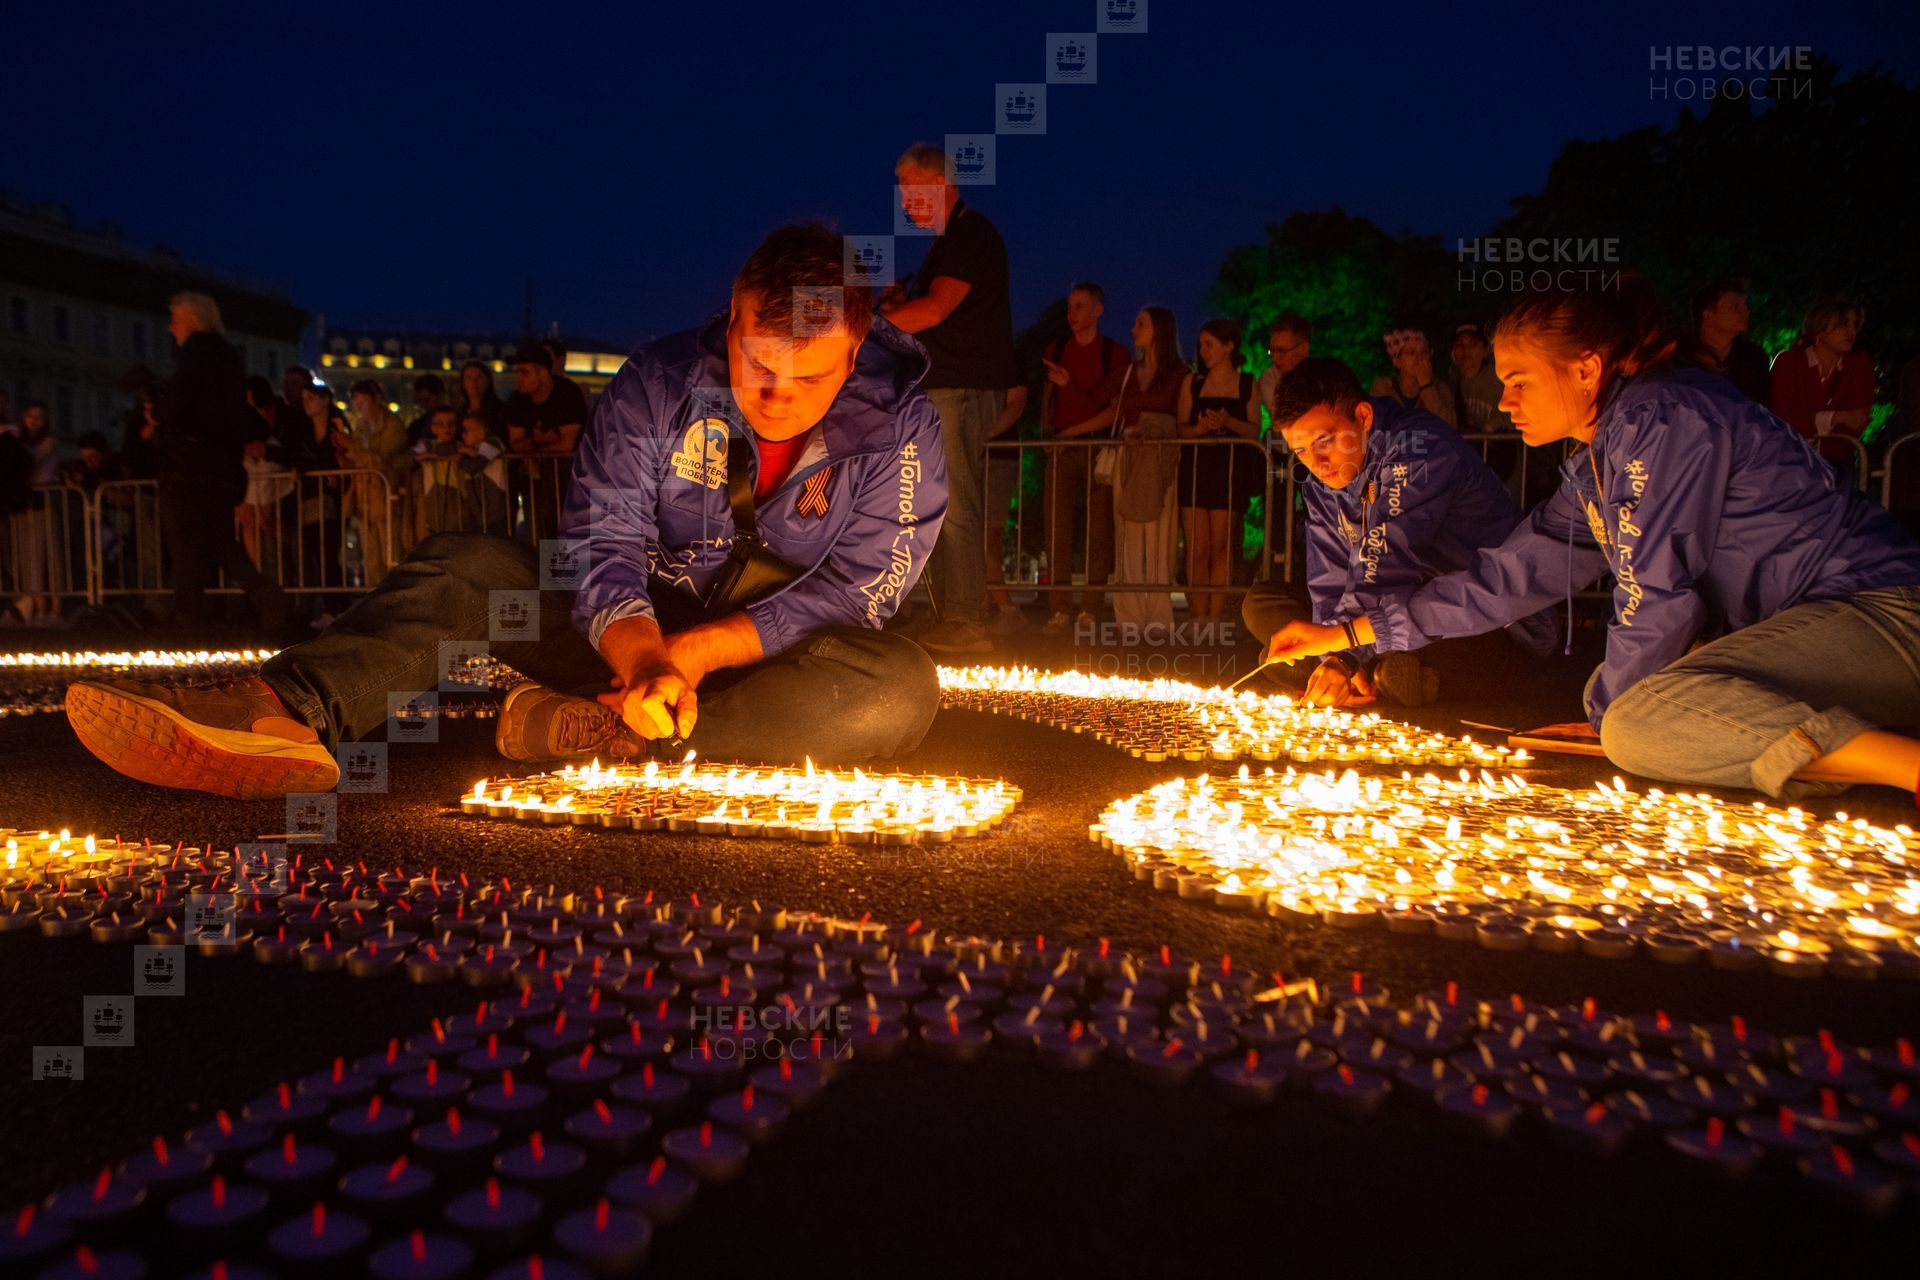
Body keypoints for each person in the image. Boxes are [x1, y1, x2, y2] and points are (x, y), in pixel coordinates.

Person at [66, 223, 949, 799]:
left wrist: (699, 654)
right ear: (730, 321)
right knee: (472, 566)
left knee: (899, 687)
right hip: (624, 641)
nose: (779, 397)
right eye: (760, 363)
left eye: (813, 376)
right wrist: (644, 654)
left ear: (858, 348)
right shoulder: (657, 381)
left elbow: (863, 590)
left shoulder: (903, 420)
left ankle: (605, 733)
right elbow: (602, 542)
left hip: (768, 662)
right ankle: (281, 708)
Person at [1261, 277, 1920, 801]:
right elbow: (1505, 579)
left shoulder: (1662, 421)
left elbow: (1658, 592)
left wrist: (1614, 716)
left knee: (1640, 722)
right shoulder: (1598, 460)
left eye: (1519, 380)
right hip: (1818, 624)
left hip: (1881, 612)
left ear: (1584, 369)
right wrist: (1344, 636)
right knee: (1641, 720)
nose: (1506, 400)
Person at [1243, 357, 1558, 707]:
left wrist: (1343, 655)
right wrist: (1330, 653)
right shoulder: (1321, 485)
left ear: (1363, 417)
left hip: (1480, 622)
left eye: (1325, 442)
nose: (1318, 464)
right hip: (1382, 619)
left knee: (1467, 653)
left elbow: (1385, 563)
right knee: (1260, 604)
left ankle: (1385, 676)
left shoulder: (1419, 448)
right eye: (1301, 452)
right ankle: (1384, 677)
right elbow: (1328, 578)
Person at [881, 143, 1016, 655]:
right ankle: (948, 613)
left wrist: (862, 327)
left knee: (956, 503)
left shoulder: (970, 234)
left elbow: (935, 310)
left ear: (941, 184)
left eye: (913, 191)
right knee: (937, 502)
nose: (907, 203)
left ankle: (964, 617)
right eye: (903, 194)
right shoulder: (951, 240)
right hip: (949, 387)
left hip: (960, 389)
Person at [152, 293, 286, 632]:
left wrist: (161, 409)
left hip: (189, 467)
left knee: (185, 543)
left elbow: (179, 407)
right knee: (220, 542)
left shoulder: (195, 355)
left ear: (192, 321)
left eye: (176, 320)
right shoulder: (228, 356)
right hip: (220, 468)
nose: (171, 328)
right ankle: (264, 593)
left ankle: (189, 616)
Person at [1070, 307, 1185, 636]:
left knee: (1161, 538)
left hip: (1162, 461)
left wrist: (1155, 429)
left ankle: (1159, 617)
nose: (1133, 328)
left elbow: (1182, 416)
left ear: (1159, 330)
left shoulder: (1180, 373)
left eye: (1141, 323)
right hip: (1129, 458)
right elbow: (1103, 406)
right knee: (1128, 538)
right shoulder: (1127, 373)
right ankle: (1129, 617)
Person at [1039, 282, 1130, 632]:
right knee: (1056, 528)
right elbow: (1049, 399)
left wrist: (1069, 401)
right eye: (1070, 307)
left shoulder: (1114, 354)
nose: (1072, 314)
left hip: (1095, 446)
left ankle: (1090, 608)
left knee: (1098, 531)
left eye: (1080, 307)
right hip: (1062, 447)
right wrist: (1048, 434)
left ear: (1098, 310)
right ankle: (1059, 609)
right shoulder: (1057, 348)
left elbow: (1112, 409)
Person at [1174, 319, 1261, 631]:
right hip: (1196, 467)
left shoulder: (1248, 383)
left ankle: (1215, 614)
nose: (1203, 350)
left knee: (1221, 544)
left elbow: (1255, 429)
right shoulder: (1193, 383)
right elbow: (1180, 428)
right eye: (1201, 344)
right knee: (1196, 544)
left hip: (1229, 470)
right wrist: (1200, 428)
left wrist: (1228, 422)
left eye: (1209, 344)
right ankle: (1198, 615)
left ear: (1229, 346)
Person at [1770, 296, 1874, 473]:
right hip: (1789, 461)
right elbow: (1783, 417)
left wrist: (1810, 422)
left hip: (1837, 463)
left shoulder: (1859, 365)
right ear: (1819, 331)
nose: (1851, 332)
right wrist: (1837, 417)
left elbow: (1856, 421)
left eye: (1854, 325)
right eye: (1843, 324)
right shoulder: (1789, 362)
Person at [341, 379, 410, 583]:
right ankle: (374, 605)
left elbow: (382, 460)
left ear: (377, 399)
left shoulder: (393, 425)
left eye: (362, 403)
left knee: (392, 555)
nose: (358, 408)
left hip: (389, 498)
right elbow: (358, 462)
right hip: (366, 502)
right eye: (356, 404)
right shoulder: (360, 428)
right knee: (371, 561)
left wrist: (352, 448)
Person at [7, 401, 60, 622]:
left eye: (39, 416)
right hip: (26, 500)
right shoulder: (18, 439)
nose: (33, 421)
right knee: (30, 555)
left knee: (50, 555)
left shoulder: (48, 442)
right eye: (29, 415)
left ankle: (53, 610)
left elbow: (32, 461)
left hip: (43, 498)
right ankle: (36, 605)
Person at [983, 380, 1029, 634]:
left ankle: (1006, 608)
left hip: (997, 454)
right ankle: (988, 604)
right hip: (992, 453)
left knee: (986, 537)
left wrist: (983, 434)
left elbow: (1017, 403)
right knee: (987, 536)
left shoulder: (1006, 362)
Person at [1690, 278, 1770, 405]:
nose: (1746, 312)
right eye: (1734, 307)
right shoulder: (1683, 361)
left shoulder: (1753, 359)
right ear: (1708, 316)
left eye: (1745, 305)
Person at [1370, 327, 1458, 426]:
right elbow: (1376, 425)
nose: (1419, 358)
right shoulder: (1383, 388)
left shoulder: (1440, 388)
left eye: (1424, 352)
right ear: (1397, 361)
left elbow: (1449, 426)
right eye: (1411, 352)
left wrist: (1426, 385)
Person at [413, 405, 468, 534]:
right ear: (432, 428)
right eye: (440, 424)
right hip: (434, 498)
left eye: (451, 424)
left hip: (460, 498)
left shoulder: (462, 446)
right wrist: (431, 454)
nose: (446, 428)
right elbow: (411, 456)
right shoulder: (427, 445)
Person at [457, 408, 510, 535]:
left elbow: (473, 467)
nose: (463, 435)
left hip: (496, 513)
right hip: (480, 515)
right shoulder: (471, 450)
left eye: (467, 430)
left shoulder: (493, 443)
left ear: (481, 432)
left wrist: (461, 455)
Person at [1257, 314, 1312, 426]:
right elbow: (1280, 421)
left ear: (1303, 348)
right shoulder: (1269, 379)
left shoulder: (1322, 376)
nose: (1275, 358)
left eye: (1282, 351)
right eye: (1272, 351)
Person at [406, 375, 448, 449]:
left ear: (440, 396)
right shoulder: (416, 426)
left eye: (427, 399)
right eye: (420, 400)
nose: (423, 404)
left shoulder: (457, 421)